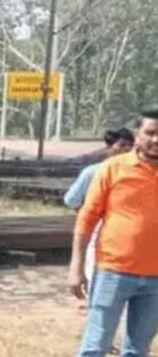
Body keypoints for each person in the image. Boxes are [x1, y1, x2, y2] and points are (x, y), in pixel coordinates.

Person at [70, 108, 158, 357]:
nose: (156, 139)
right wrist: (76, 267)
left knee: (138, 349)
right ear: (138, 135)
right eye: (150, 132)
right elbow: (86, 219)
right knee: (96, 345)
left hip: (156, 279)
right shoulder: (112, 169)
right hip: (113, 271)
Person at [63, 128, 135, 306]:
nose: (126, 150)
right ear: (109, 147)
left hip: (125, 229)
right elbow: (72, 199)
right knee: (96, 267)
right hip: (98, 227)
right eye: (121, 145)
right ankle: (95, 303)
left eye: (130, 146)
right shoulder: (94, 172)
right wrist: (91, 216)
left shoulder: (137, 172)